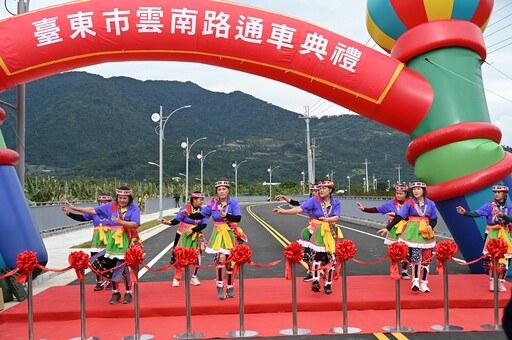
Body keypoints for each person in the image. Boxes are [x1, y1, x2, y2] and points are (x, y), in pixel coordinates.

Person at [66, 186, 141, 304]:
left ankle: (128, 292)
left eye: (125, 198)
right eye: (120, 197)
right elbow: (92, 211)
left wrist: (121, 222)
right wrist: (75, 209)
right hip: (112, 242)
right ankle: (115, 292)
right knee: (110, 266)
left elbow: (136, 224)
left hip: (127, 239)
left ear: (129, 198)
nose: (122, 200)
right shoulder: (110, 207)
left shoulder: (133, 208)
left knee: (124, 268)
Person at [273, 181, 343, 295]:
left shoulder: (336, 202)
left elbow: (337, 217)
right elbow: (299, 209)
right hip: (316, 231)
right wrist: (284, 211)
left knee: (331, 258)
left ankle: (328, 283)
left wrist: (329, 220)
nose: (321, 191)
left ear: (330, 190)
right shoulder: (314, 201)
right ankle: (315, 281)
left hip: (329, 232)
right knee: (317, 256)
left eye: (324, 188)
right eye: (319, 189)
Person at [187, 181, 246, 300]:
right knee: (221, 257)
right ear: (217, 192)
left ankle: (229, 286)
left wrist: (225, 215)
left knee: (229, 262)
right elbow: (201, 215)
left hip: (230, 233)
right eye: (219, 189)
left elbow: (238, 218)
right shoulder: (213, 204)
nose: (222, 191)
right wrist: (188, 214)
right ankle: (219, 285)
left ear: (228, 190)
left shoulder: (233, 203)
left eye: (224, 189)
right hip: (219, 234)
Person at [378, 181, 437, 293]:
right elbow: (399, 216)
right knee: (415, 257)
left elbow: (434, 218)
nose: (416, 191)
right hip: (412, 232)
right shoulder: (409, 203)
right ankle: (415, 281)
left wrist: (431, 226)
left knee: (426, 259)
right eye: (414, 189)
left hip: (426, 233)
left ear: (423, 191)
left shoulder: (431, 204)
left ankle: (424, 282)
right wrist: (388, 227)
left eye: (418, 189)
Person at [456, 184, 512, 292]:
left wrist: (502, 216)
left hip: (504, 234)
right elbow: (477, 213)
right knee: (492, 258)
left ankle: (501, 282)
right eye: (495, 192)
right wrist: (465, 213)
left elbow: (510, 219)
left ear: (504, 194)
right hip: (492, 235)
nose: (496, 194)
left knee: (506, 259)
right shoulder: (489, 206)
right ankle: (492, 281)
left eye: (499, 192)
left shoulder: (509, 207)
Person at [357, 184, 411, 279]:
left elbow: (413, 216)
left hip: (406, 228)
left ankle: (404, 271)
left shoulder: (409, 203)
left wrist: (396, 214)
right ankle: (394, 270)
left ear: (406, 194)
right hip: (393, 229)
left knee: (406, 251)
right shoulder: (390, 203)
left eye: (401, 193)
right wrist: (364, 209)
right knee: (394, 251)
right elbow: (378, 209)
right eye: (397, 193)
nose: (398, 195)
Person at [61, 193, 113, 291]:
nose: (103, 204)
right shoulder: (94, 212)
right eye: (101, 202)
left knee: (109, 260)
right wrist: (68, 213)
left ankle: (110, 280)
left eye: (105, 203)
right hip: (97, 241)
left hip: (110, 240)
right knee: (95, 261)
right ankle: (99, 281)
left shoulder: (113, 212)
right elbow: (81, 218)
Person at [161, 191, 208, 287]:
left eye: (202, 200)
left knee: (197, 255)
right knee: (180, 255)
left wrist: (193, 230)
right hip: (183, 236)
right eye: (200, 200)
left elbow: (204, 224)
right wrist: (168, 223)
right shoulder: (185, 208)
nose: (202, 202)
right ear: (194, 200)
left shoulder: (203, 211)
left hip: (195, 235)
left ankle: (194, 277)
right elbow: (177, 220)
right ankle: (176, 278)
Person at [275, 184, 320, 281]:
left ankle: (325, 274)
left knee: (325, 253)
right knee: (309, 253)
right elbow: (295, 203)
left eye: (316, 191)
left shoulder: (327, 202)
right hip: (312, 230)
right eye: (312, 191)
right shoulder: (310, 202)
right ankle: (312, 273)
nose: (313, 193)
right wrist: (283, 197)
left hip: (324, 230)